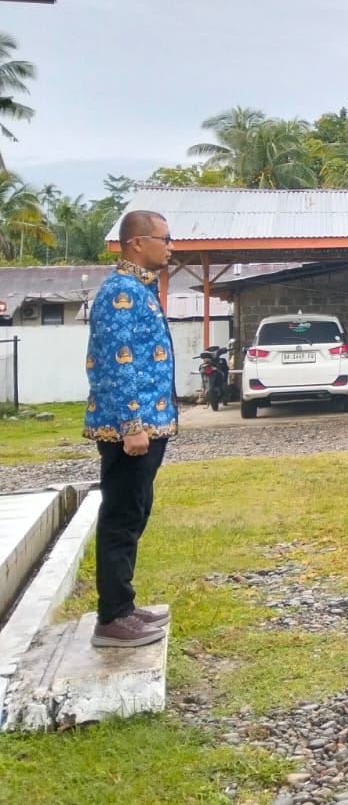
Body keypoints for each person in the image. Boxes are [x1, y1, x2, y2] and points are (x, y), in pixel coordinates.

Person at [85, 210, 177, 648]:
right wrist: (133, 426)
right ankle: (112, 617)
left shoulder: (138, 290)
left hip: (149, 424)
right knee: (121, 517)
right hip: (131, 430)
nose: (170, 246)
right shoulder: (121, 293)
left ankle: (124, 604)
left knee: (134, 513)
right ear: (137, 243)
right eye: (164, 238)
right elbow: (117, 364)